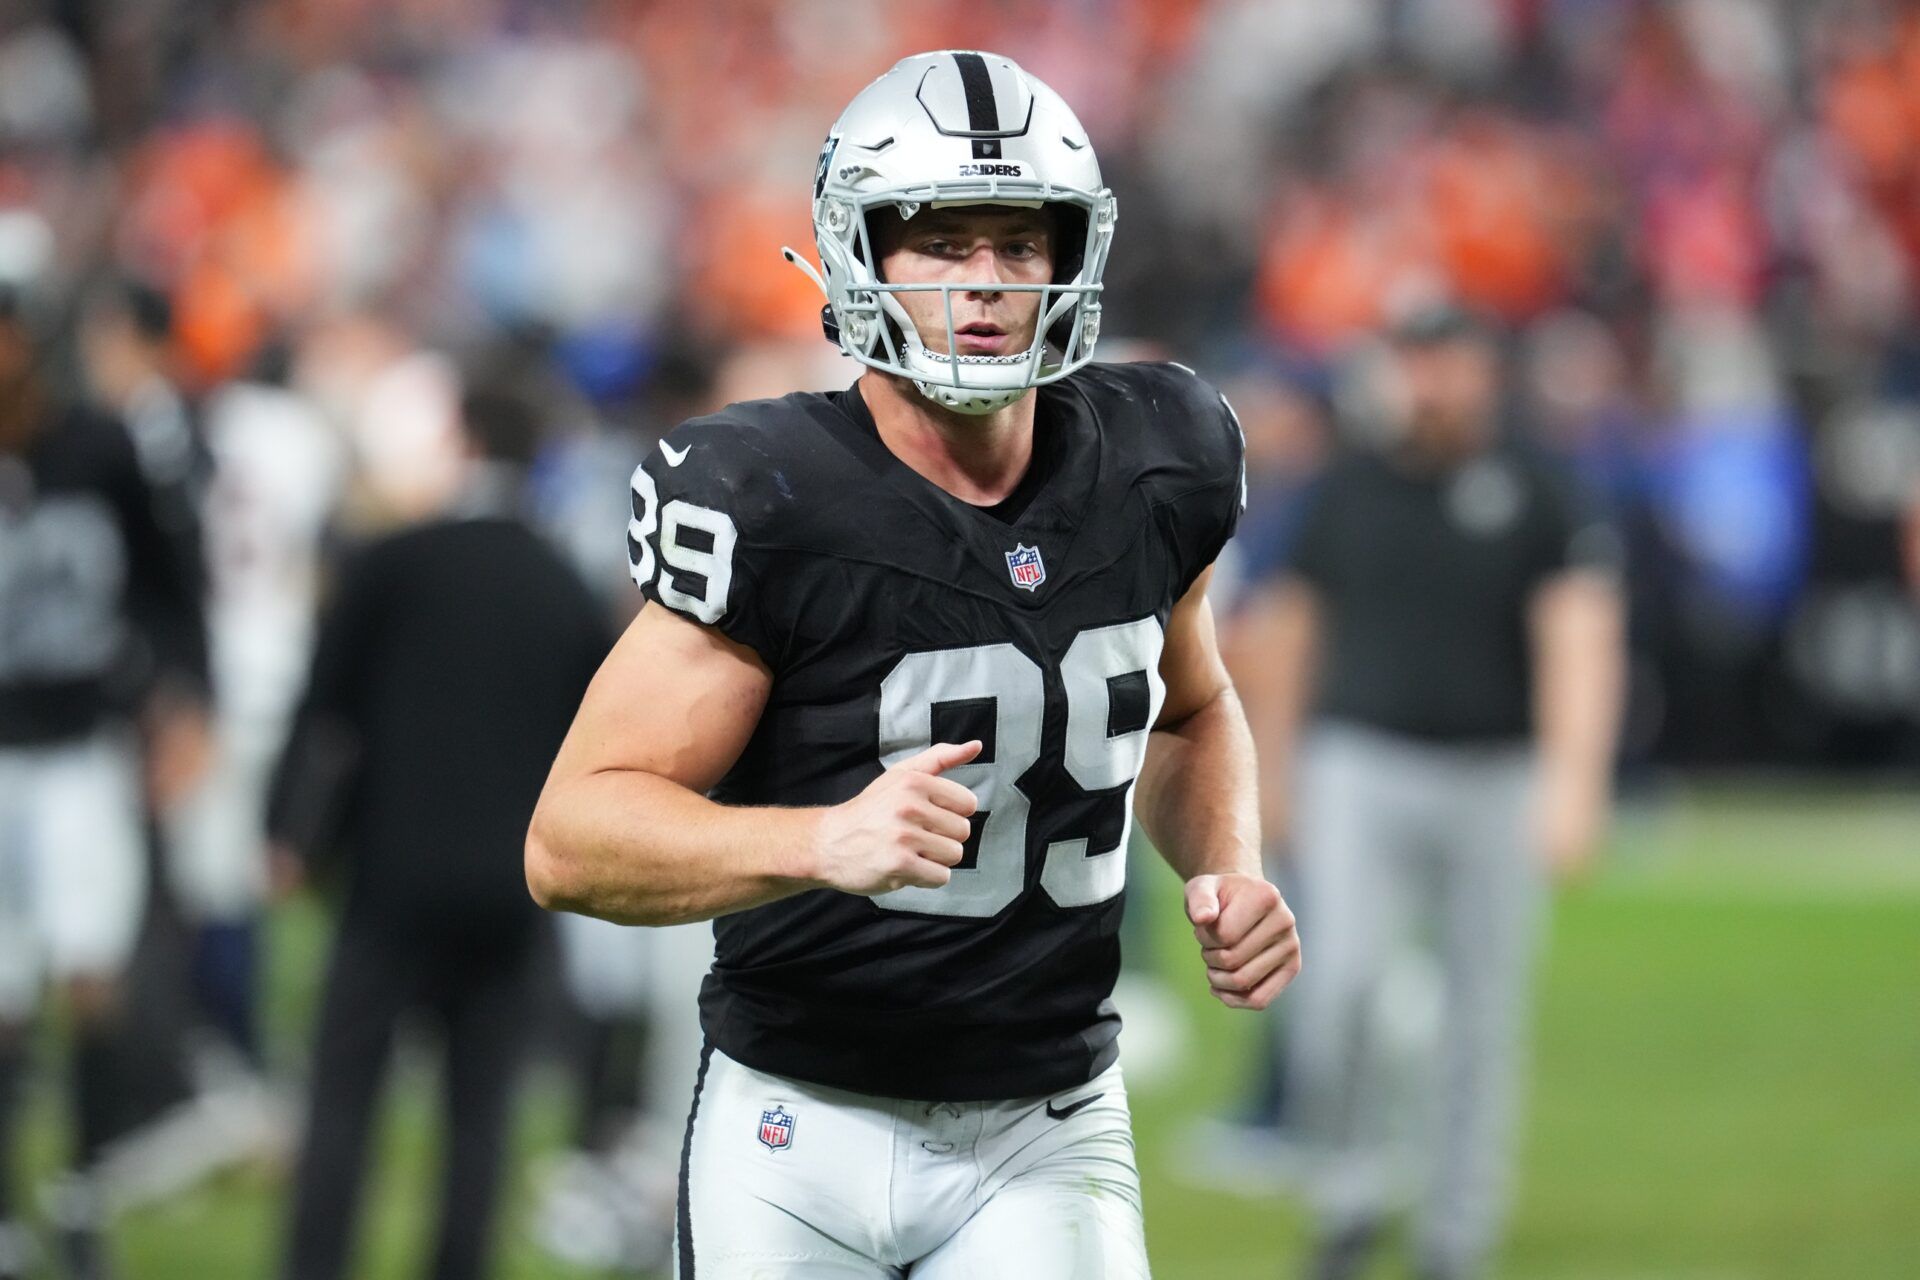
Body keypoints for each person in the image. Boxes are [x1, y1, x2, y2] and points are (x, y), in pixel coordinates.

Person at [526, 51, 1301, 1278]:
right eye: (940, 242)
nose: (985, 284)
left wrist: (1229, 867)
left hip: (1048, 1120)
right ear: (859, 254)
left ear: (1071, 256)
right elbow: (569, 836)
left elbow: (1190, 711)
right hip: (795, 1130)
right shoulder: (773, 498)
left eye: (1018, 242)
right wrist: (815, 840)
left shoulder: (1164, 460)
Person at [1234, 305, 1626, 1280]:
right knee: (1341, 990)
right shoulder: (1346, 485)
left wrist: (1576, 779)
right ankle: (1352, 1187)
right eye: (1415, 361)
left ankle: (1459, 1227)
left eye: (1447, 359)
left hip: (1496, 771)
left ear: (1483, 369)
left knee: (1483, 1012)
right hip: (1361, 765)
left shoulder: (1537, 484)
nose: (1431, 382)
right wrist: (1267, 775)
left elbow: (1578, 632)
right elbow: (1285, 631)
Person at [269, 377, 611, 1280]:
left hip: (390, 876)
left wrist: (288, 831)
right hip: (510, 887)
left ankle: (315, 1266)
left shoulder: (393, 561)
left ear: (459, 437)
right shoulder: (564, 586)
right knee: (479, 1120)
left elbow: (321, 707)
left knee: (343, 1101)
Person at [0, 225, 210, 1280]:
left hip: (80, 744)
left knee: (89, 975)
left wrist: (190, 703)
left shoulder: (97, 445)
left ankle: (79, 1191)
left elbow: (173, 585)